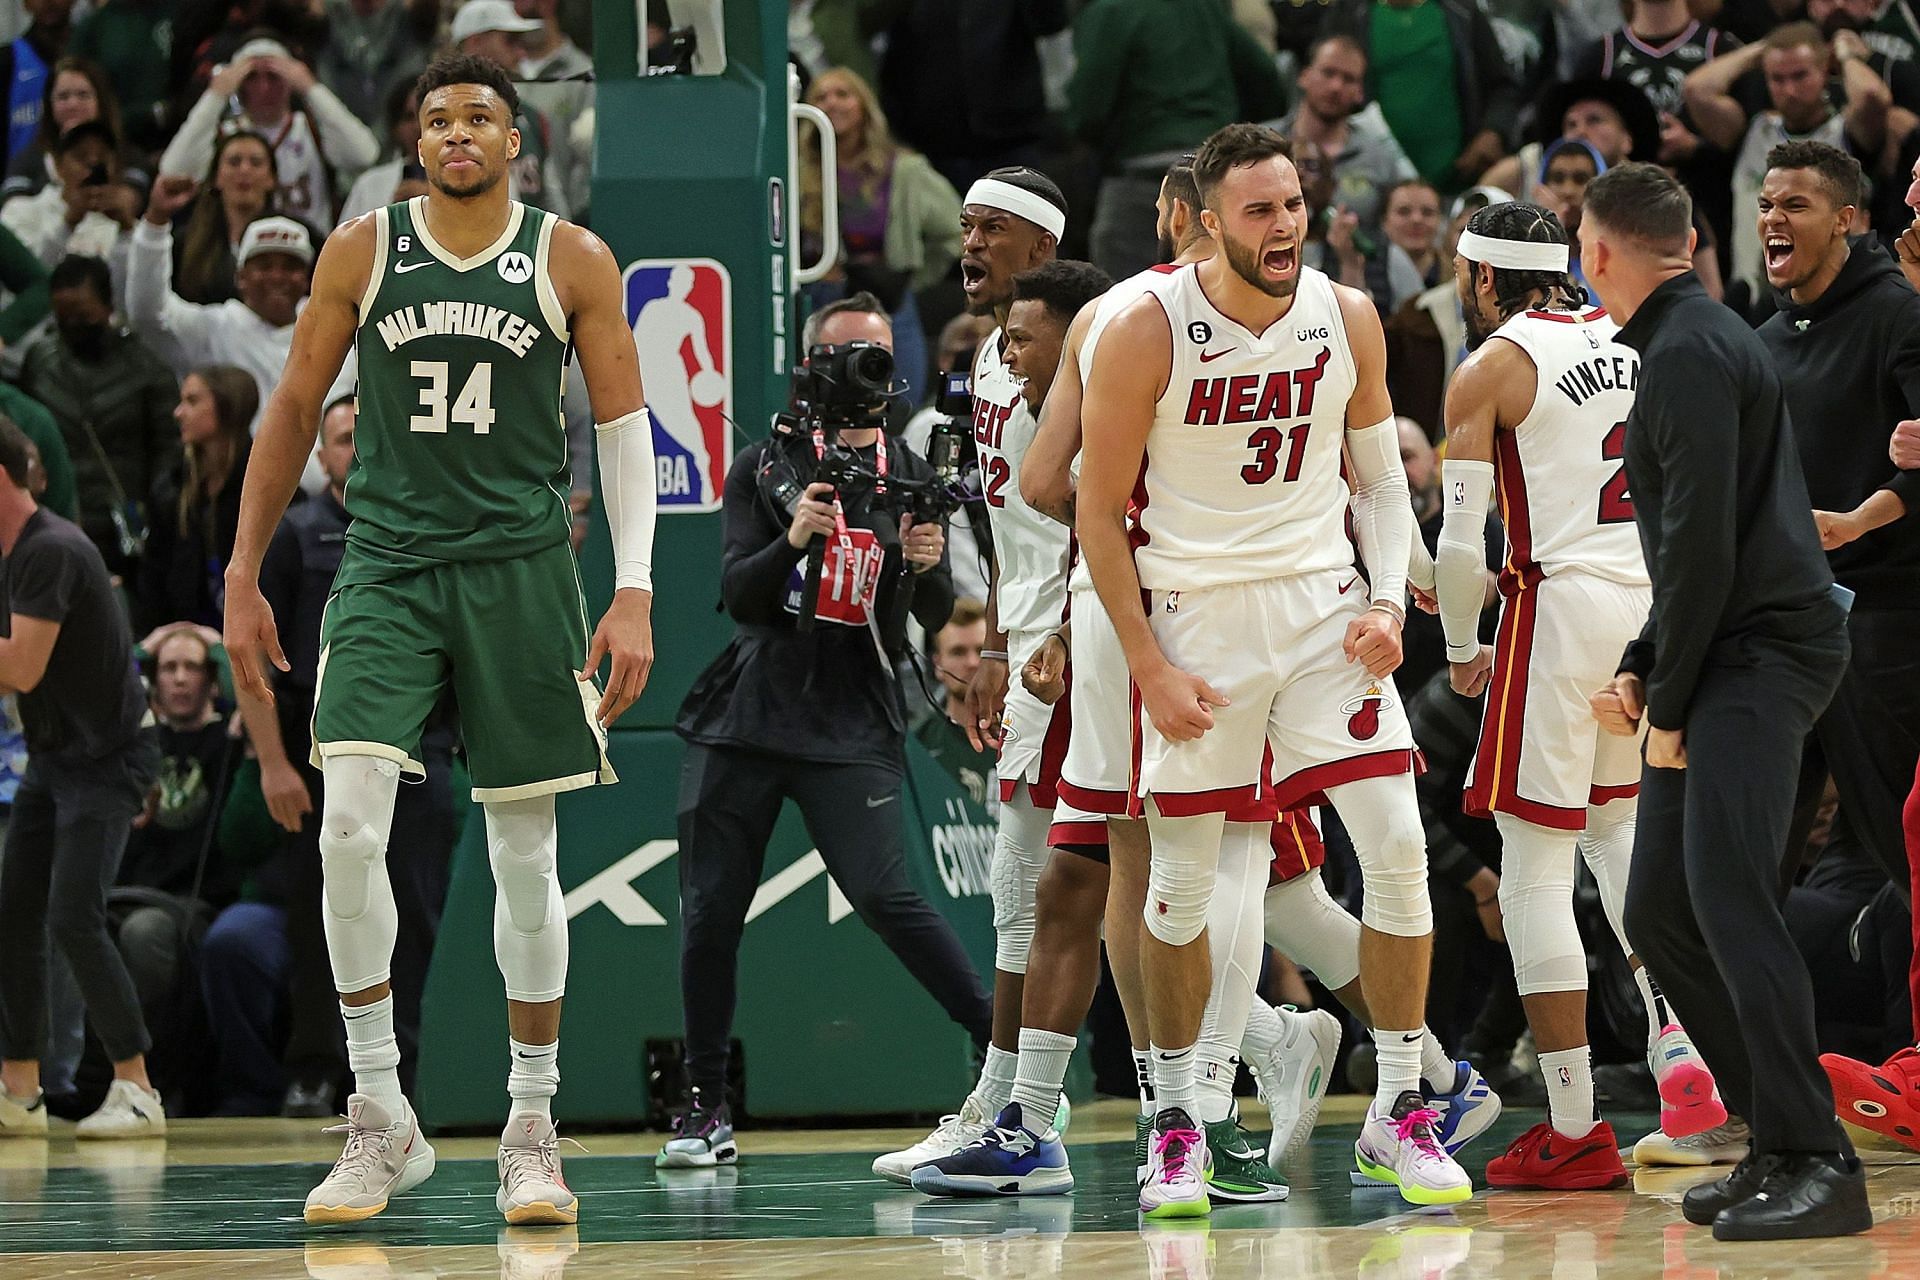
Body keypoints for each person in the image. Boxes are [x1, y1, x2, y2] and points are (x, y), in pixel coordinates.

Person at [222, 52, 656, 1226]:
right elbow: (291, 408)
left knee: (524, 851)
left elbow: (622, 430)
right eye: (436, 118)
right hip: (389, 564)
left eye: (479, 117)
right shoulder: (362, 249)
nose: (457, 131)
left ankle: (530, 1122)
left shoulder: (571, 257)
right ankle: (380, 1113)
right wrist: (243, 566)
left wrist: (634, 589)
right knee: (350, 827)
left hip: (521, 568)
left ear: (518, 141)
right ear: (415, 143)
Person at [1077, 122, 1464, 1215]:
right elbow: (1099, 517)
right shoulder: (1144, 328)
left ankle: (1401, 1108)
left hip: (1324, 615)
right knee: (1185, 881)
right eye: (1259, 209)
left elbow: (1384, 485)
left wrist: (1389, 598)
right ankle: (1181, 1118)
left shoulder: (1346, 315)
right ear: (1206, 223)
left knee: (1394, 848)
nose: (1285, 224)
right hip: (1197, 619)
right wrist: (1147, 664)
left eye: (1292, 203)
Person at [1583, 161, 1868, 1241]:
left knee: (1735, 900)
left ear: (1599, 255)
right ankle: (1777, 1133)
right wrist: (1645, 655)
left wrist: (1668, 704)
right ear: (1690, 237)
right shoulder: (1693, 342)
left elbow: (1703, 549)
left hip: (1763, 656)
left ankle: (1818, 1159)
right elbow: (1699, 552)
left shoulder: (1692, 352)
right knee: (1659, 904)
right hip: (1728, 645)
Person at [1436, 201, 1727, 1193]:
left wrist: (1465, 646)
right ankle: (1682, 1052)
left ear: (1482, 278)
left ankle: (1569, 1122)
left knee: (1532, 865)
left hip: (1557, 613)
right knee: (1622, 840)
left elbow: (1458, 542)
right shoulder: (1639, 335)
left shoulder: (1493, 365)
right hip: (1652, 608)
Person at [667, 292, 988, 1169]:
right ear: (813, 363)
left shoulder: (913, 471)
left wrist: (926, 569)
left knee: (888, 896)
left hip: (852, 711)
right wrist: (795, 542)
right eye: (850, 355)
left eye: (880, 356)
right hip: (750, 711)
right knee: (710, 913)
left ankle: (1011, 1065)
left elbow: (925, 607)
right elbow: (738, 593)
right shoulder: (765, 465)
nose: (867, 373)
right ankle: (702, 1106)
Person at [225, 397, 452, 1118]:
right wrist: (273, 765)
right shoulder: (296, 536)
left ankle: (406, 1072)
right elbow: (255, 664)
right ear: (321, 457)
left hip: (421, 758)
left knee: (413, 920)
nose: (356, 450)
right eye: (343, 439)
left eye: (367, 435)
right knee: (324, 918)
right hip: (319, 760)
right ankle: (321, 1069)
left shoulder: (432, 527)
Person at [0, 416, 166, 1140]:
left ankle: (137, 1087)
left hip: (109, 761)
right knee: (14, 912)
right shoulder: (13, 553)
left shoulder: (53, 551)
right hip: (57, 758)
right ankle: (20, 1090)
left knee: (73, 915)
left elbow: (20, 668)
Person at [1066, 0, 1287, 279]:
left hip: (1139, 176)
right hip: (1214, 172)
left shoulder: (1109, 11)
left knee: (1121, 296)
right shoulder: (1203, 8)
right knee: (1218, 294)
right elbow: (1267, 79)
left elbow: (1088, 110)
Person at [1683, 23, 1894, 299]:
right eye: (1777, 79)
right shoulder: (1754, 130)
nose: (1790, 90)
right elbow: (1695, 89)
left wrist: (1845, 56)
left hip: (1836, 295)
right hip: (1753, 299)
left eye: (1800, 75)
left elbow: (1872, 96)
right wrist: (1762, 49)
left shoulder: (1847, 130)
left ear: (1824, 70)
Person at [800, 66, 963, 407]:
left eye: (842, 94)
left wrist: (912, 275)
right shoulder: (792, 167)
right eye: (821, 96)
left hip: (886, 299)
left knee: (899, 403)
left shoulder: (904, 170)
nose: (832, 103)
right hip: (818, 299)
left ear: (864, 105)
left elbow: (956, 229)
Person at [18, 253, 179, 579]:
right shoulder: (40, 363)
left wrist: (154, 513)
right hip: (56, 516)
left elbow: (169, 451)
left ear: (107, 307)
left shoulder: (146, 369)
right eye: (63, 317)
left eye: (82, 315)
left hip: (126, 525)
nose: (73, 326)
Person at [159, 35, 379, 229]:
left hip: (310, 255)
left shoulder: (311, 129)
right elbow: (174, 171)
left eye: (274, 77)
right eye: (251, 78)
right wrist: (217, 94)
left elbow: (365, 155)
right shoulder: (225, 135)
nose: (263, 88)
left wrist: (310, 87)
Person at [1318, 0, 1520, 195]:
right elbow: (1326, 80)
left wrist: (1493, 131)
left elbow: (1503, 85)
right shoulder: (1351, 12)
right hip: (1378, 185)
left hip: (1458, 179)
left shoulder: (1460, 9)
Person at [138, 366, 256, 631]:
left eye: (192, 401)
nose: (178, 413)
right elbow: (153, 580)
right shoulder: (171, 486)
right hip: (180, 638)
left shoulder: (264, 485)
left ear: (227, 407)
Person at [1272, 35, 1418, 243]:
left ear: (1360, 92)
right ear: (1304, 76)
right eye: (1328, 73)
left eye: (1349, 79)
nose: (1336, 87)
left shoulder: (1379, 157)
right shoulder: (1264, 143)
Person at [451, 1, 572, 216]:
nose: (520, 53)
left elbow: (552, 196)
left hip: (528, 242)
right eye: (510, 41)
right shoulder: (438, 118)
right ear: (475, 42)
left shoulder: (531, 117)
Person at [0, 120, 138, 283]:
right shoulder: (19, 212)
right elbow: (24, 286)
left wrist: (126, 230)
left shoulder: (129, 228)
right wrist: (68, 224)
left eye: (102, 158)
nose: (92, 166)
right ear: (58, 165)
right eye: (81, 156)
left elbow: (137, 298)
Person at [1, 55, 146, 203]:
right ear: (49, 105)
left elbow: (129, 203)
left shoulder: (129, 157)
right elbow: (14, 212)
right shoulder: (27, 161)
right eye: (63, 97)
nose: (73, 105)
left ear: (101, 102)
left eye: (83, 95)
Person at [168, 130, 280, 306]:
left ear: (271, 178)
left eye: (256, 163)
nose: (244, 170)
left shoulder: (300, 234)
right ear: (216, 178)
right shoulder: (183, 244)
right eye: (234, 162)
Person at [336, 82, 421, 228]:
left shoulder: (467, 181)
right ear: (395, 129)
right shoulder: (371, 185)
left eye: (430, 116)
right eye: (408, 117)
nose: (418, 127)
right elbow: (343, 244)